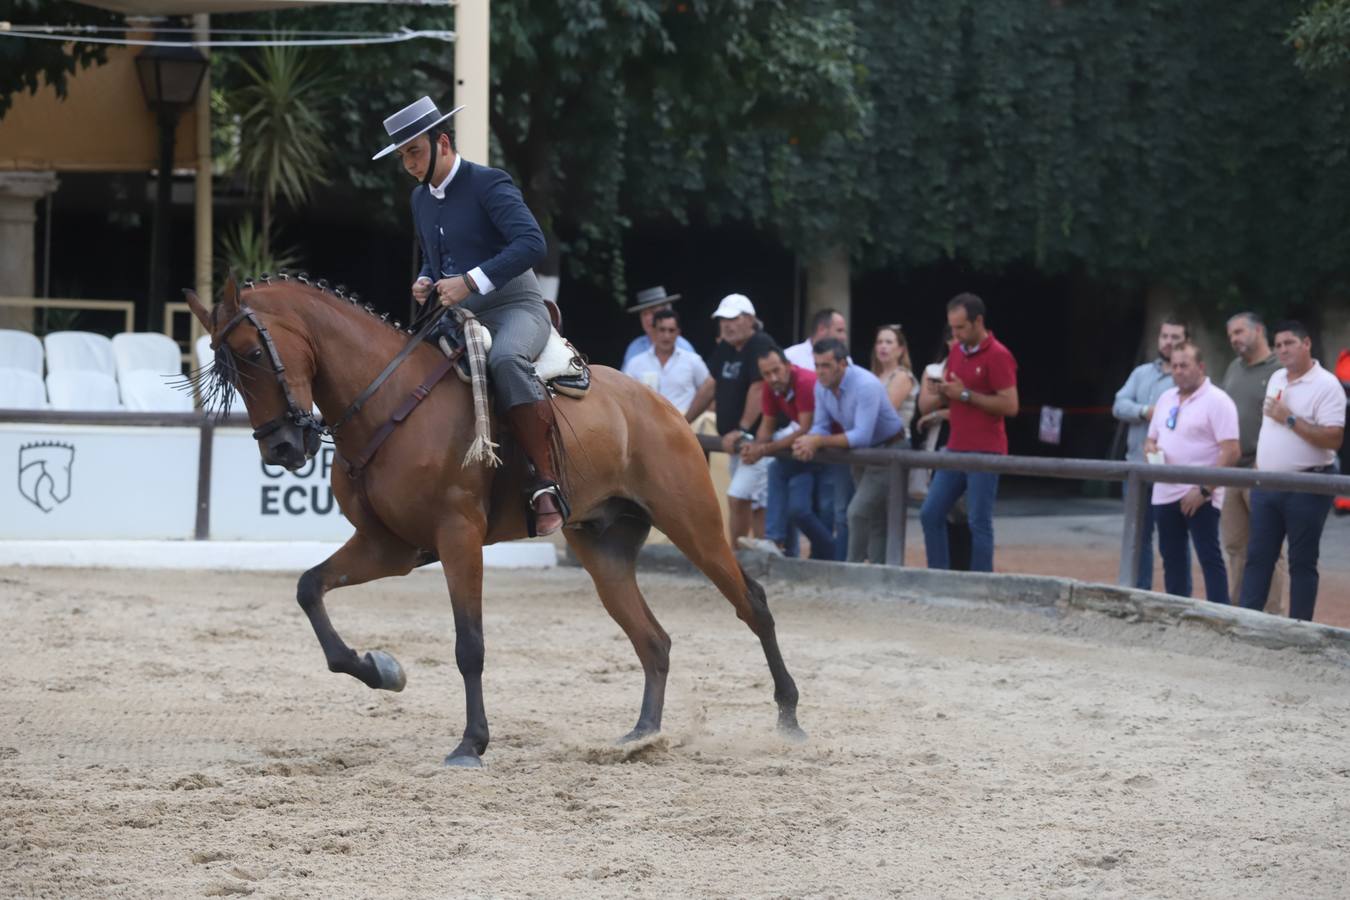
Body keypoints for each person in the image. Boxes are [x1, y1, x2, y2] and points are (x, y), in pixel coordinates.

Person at [375, 96, 564, 534]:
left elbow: (533, 244)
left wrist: (471, 281)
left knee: (507, 361)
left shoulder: (489, 183)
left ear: (442, 142)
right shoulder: (420, 199)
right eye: (402, 156)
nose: (408, 164)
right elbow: (436, 259)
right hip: (458, 315)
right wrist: (425, 279)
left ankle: (545, 482)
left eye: (414, 152)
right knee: (405, 369)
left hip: (516, 306)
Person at [1238, 322, 1346, 621]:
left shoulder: (1327, 385)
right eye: (1278, 344)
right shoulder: (1276, 378)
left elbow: (1333, 438)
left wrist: (1289, 419)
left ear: (1307, 343)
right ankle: (1248, 623)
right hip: (1267, 483)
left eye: (1289, 343)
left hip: (1308, 484)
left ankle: (1300, 630)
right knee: (1258, 558)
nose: (1282, 349)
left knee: (1302, 562)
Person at [918, 294, 1019, 572]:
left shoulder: (999, 355)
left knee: (978, 521)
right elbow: (957, 396)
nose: (956, 334)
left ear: (978, 322)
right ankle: (939, 576)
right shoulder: (956, 352)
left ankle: (980, 583)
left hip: (986, 450)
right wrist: (946, 394)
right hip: (956, 447)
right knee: (930, 513)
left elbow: (1010, 405)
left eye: (961, 328)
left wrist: (963, 394)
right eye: (952, 328)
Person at [791, 338, 906, 563]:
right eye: (817, 365)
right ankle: (876, 573)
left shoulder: (865, 384)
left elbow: (861, 436)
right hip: (864, 453)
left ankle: (852, 569)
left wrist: (817, 441)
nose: (820, 372)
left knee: (857, 512)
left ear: (843, 364)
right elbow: (821, 426)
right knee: (873, 517)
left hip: (888, 449)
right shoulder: (821, 386)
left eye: (826, 366)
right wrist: (809, 440)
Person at [1143, 342, 1240, 603]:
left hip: (1201, 494)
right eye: (1174, 366)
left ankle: (1220, 615)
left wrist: (1204, 490)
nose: (1178, 371)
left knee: (1209, 556)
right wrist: (1150, 447)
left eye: (1184, 365)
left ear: (1200, 367)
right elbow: (1150, 438)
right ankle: (1177, 611)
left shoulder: (1218, 401)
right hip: (1164, 492)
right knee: (1171, 557)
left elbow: (1231, 451)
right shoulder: (1165, 398)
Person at [685, 294, 776, 545]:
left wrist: (743, 430)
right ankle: (751, 554)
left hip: (758, 439)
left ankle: (739, 555)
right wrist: (682, 421)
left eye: (733, 318)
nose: (727, 324)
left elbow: (760, 388)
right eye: (723, 319)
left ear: (749, 319)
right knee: (749, 499)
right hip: (739, 440)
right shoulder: (726, 347)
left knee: (741, 496)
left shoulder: (760, 344)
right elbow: (709, 386)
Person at [1112, 316, 1188, 590]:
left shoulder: (1188, 379)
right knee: (1137, 538)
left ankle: (1178, 599)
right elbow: (1119, 405)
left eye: (1175, 338)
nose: (1168, 342)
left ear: (1186, 342)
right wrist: (1145, 412)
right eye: (1165, 336)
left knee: (1174, 540)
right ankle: (1139, 593)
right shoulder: (1141, 373)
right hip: (1136, 470)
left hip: (1171, 474)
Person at [1219, 312, 1285, 612]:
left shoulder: (1280, 370)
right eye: (1231, 334)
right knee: (1235, 545)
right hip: (1235, 471)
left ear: (1259, 330)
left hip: (1265, 470)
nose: (1234, 338)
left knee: (1269, 548)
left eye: (1239, 331)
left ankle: (1270, 616)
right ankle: (1238, 610)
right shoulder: (1233, 368)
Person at [742, 345, 834, 559]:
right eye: (766, 373)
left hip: (829, 450)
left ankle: (780, 541)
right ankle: (783, 544)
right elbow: (767, 424)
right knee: (799, 509)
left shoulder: (804, 381)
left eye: (776, 370)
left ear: (787, 365)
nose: (773, 377)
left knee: (828, 511)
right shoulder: (772, 387)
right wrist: (756, 446)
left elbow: (805, 427)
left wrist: (762, 449)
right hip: (808, 450)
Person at [622, 308, 711, 415]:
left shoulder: (693, 360)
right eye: (662, 330)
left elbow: (709, 392)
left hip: (687, 424)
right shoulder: (635, 363)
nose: (666, 336)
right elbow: (625, 398)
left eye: (671, 330)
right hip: (647, 426)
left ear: (678, 332)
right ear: (653, 331)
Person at [621, 286, 696, 368]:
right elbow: (622, 380)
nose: (648, 318)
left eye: (653, 312)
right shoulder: (634, 348)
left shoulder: (683, 347)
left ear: (667, 314)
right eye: (644, 314)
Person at [871, 324, 918, 426]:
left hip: (896, 440)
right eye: (879, 342)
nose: (883, 346)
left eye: (889, 342)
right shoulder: (873, 376)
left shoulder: (902, 376)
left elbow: (884, 412)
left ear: (901, 350)